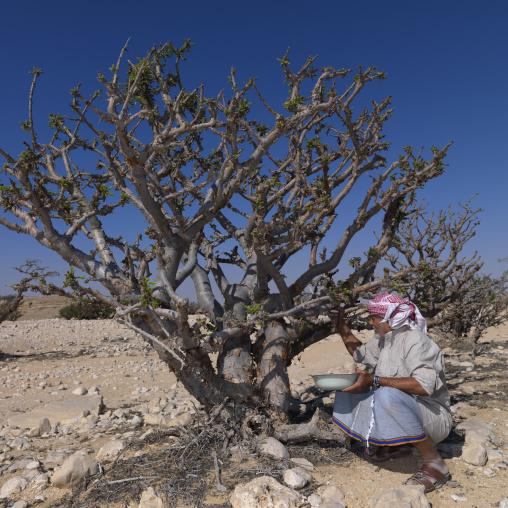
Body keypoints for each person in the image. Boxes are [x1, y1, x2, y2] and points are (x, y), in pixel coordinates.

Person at [330, 293, 452, 493]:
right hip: (410, 411)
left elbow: (423, 386)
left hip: (434, 418)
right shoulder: (385, 340)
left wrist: (374, 379)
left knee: (385, 394)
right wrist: (341, 326)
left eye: (374, 318)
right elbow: (359, 353)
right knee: (348, 391)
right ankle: (396, 444)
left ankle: (435, 462)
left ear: (389, 320)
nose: (371, 322)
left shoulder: (415, 340)